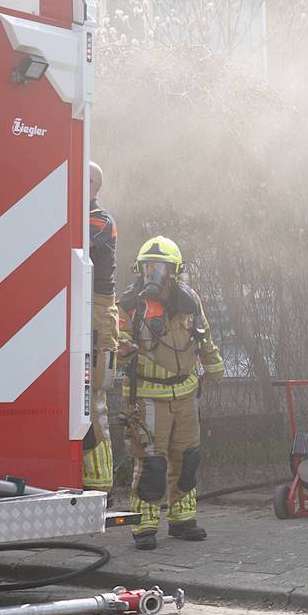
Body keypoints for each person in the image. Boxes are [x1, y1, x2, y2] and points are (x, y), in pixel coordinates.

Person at [117, 235, 224, 549]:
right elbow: (112, 343)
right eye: (149, 267)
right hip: (148, 396)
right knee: (151, 461)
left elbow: (204, 336)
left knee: (187, 457)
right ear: (140, 269)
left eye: (161, 267)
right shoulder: (130, 303)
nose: (155, 274)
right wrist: (122, 349)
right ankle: (145, 526)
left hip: (186, 393)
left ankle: (182, 519)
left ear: (175, 270)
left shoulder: (189, 300)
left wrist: (214, 368)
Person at [81, 162, 116, 496]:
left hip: (97, 314)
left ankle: (100, 484)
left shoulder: (100, 220)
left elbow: (73, 239)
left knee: (93, 399)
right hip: (81, 310)